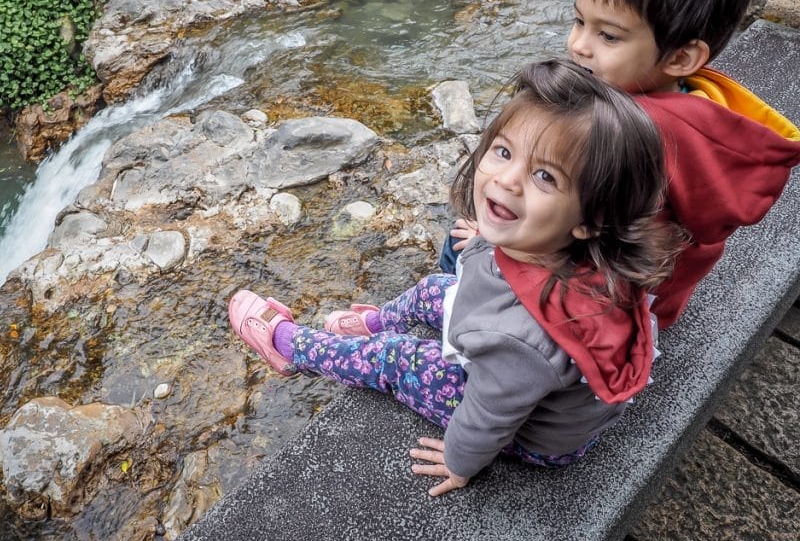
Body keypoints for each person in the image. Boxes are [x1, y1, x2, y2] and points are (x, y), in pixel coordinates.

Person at [228, 60, 686, 494]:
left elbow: (489, 415)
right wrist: (488, 237)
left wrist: (459, 461)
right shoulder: (575, 247)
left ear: (590, 219)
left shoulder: (522, 343)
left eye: (545, 176)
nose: (507, 179)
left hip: (533, 437)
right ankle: (371, 321)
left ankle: (291, 347)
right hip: (547, 385)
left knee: (395, 356)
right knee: (436, 288)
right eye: (504, 151)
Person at [439, 0, 800, 328]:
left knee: (460, 242)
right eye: (579, 21)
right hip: (656, 300)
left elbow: (594, 245)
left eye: (607, 36)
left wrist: (490, 242)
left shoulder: (623, 137)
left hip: (597, 307)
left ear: (681, 57)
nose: (578, 46)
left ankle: (459, 325)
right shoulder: (706, 111)